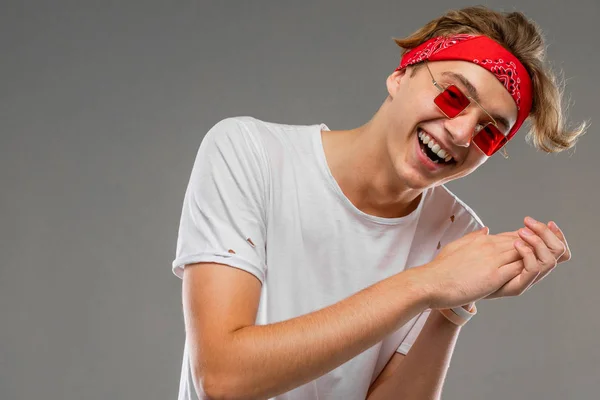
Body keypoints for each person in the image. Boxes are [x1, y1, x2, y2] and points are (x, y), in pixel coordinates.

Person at [171, 6, 586, 400]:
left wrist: (452, 306)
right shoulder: (250, 153)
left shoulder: (457, 236)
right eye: (454, 96)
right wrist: (428, 284)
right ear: (401, 75)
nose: (461, 134)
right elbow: (222, 377)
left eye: (489, 132)